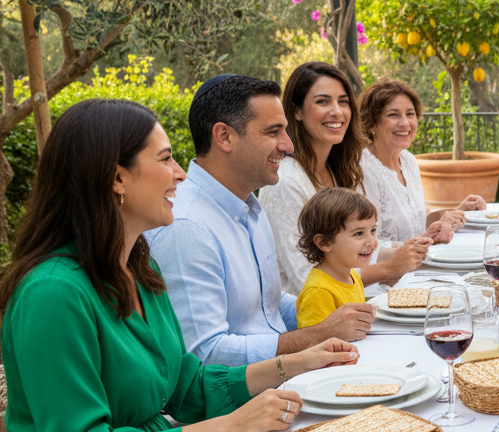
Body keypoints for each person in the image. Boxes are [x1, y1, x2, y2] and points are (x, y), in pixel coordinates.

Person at [0, 99, 359, 432]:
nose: (181, 174)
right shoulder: (52, 295)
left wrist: (298, 363)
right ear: (116, 177)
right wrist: (230, 429)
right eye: (166, 159)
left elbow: (187, 386)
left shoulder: (136, 268)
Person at [148, 74, 376, 367]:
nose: (288, 145)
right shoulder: (187, 227)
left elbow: (266, 307)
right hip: (250, 400)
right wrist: (317, 334)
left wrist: (331, 309)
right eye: (273, 132)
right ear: (224, 136)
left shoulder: (249, 207)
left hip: (282, 379)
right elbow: (204, 355)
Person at [260, 61, 428, 294]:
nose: (337, 111)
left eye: (343, 101)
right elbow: (307, 279)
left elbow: (351, 252)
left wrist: (410, 253)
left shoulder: (339, 170)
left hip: (348, 304)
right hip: (309, 319)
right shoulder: (286, 182)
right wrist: (388, 268)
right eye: (322, 101)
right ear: (296, 111)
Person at [359, 78, 484, 244]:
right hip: (391, 269)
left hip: (419, 262)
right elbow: (365, 244)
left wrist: (455, 213)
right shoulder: (363, 169)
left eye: (410, 114)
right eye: (393, 115)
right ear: (372, 123)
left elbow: (416, 220)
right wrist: (423, 241)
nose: (405, 123)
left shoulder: (408, 160)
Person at [296, 188, 377, 328]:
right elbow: (313, 342)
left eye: (373, 231)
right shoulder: (319, 291)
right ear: (324, 243)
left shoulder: (352, 276)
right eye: (359, 233)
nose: (371, 242)